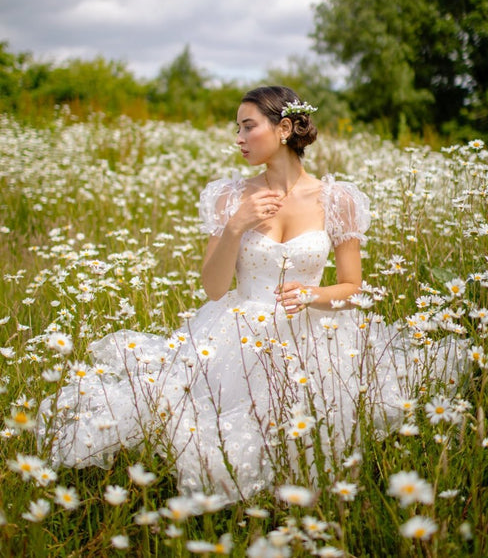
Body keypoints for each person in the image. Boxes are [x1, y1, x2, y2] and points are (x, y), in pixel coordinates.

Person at [37, 86, 466, 503]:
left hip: (311, 334)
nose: (238, 139)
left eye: (247, 127)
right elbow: (214, 288)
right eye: (236, 129)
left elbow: (353, 287)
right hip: (237, 333)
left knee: (307, 432)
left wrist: (314, 293)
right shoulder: (230, 196)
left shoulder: (336, 199)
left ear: (283, 129)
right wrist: (236, 225)